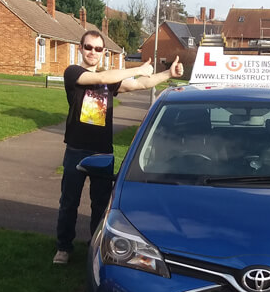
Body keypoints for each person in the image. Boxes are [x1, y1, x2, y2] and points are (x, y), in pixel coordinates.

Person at [53, 30, 184, 264]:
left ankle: (96, 246)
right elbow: (103, 78)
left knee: (101, 205)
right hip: (76, 150)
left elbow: (141, 83)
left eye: (98, 48)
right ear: (81, 48)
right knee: (69, 202)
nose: (92, 52)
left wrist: (167, 73)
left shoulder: (110, 81)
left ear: (103, 52)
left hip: (103, 151)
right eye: (88, 47)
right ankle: (64, 247)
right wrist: (138, 68)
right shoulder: (73, 73)